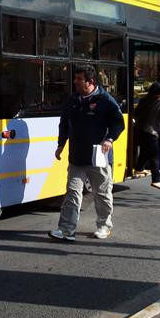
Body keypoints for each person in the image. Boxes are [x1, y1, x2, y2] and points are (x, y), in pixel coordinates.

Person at [49, 65, 125, 241]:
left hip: (98, 157)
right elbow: (64, 124)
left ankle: (104, 226)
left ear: (90, 82)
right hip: (77, 157)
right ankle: (67, 230)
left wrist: (109, 139)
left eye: (79, 79)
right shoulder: (73, 100)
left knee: (102, 193)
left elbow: (118, 123)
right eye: (75, 78)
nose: (75, 82)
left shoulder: (105, 100)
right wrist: (61, 144)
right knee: (72, 192)